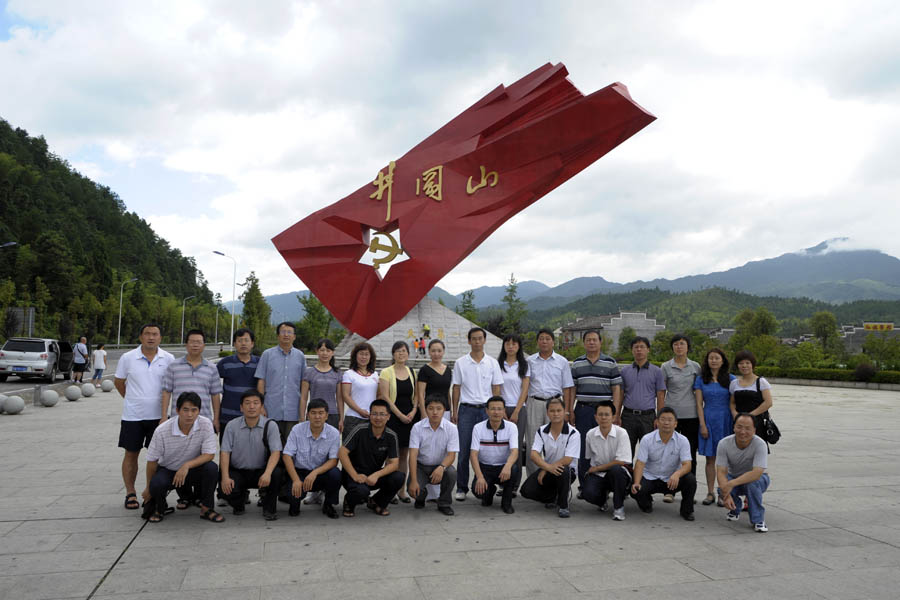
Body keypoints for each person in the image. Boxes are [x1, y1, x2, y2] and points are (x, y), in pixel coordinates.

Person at [114, 323, 175, 511]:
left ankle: (152, 492)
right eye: (147, 334)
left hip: (159, 417)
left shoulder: (168, 358)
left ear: (160, 338)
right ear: (140, 337)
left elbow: (172, 385)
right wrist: (133, 399)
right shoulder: (128, 358)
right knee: (131, 454)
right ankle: (130, 492)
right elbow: (119, 382)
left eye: (155, 334)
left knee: (158, 457)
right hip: (133, 416)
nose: (151, 337)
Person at [141, 392, 222, 523]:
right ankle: (160, 508)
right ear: (177, 410)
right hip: (169, 470)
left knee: (211, 468)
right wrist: (148, 488)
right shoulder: (162, 430)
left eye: (194, 410)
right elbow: (152, 461)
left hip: (192, 469)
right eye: (185, 410)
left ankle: (207, 508)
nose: (189, 414)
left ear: (199, 411)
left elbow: (209, 454)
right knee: (156, 484)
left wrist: (186, 465)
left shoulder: (206, 424)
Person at [451, 327, 503, 501]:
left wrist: (496, 410)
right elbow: (456, 387)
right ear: (469, 341)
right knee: (464, 451)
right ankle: (462, 487)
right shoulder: (461, 362)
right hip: (466, 410)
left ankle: (486, 482)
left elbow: (496, 388)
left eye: (480, 338)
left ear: (484, 340)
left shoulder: (492, 363)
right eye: (474, 338)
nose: (477, 341)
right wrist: (455, 410)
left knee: (488, 449)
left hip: (486, 411)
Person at [570, 329, 622, 493]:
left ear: (600, 342)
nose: (591, 342)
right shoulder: (577, 363)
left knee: (605, 448)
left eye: (594, 340)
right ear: (584, 343)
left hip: (604, 411)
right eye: (588, 340)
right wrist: (570, 410)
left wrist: (616, 413)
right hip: (583, 410)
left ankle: (604, 487)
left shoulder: (610, 362)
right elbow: (572, 389)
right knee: (584, 448)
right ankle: (584, 486)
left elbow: (616, 389)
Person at [220, 389, 283, 520]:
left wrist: (267, 473)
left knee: (276, 474)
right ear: (241, 407)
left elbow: (276, 452)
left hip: (261, 471)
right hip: (238, 471)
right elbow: (225, 452)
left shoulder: (270, 425)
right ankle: (239, 502)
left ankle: (269, 508)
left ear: (261, 406)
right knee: (225, 487)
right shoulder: (231, 426)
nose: (252, 406)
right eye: (247, 403)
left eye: (256, 403)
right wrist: (225, 477)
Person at [339, 399, 404, 517]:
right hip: (353, 475)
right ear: (370, 415)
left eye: (382, 414)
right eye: (374, 414)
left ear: (388, 417)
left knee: (398, 477)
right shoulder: (359, 430)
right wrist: (355, 475)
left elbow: (394, 464)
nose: (378, 418)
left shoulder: (391, 435)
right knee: (362, 491)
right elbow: (342, 452)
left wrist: (377, 475)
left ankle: (377, 502)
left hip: (373, 475)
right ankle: (349, 502)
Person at [631, 407, 697, 521]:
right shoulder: (647, 439)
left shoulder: (682, 440)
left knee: (690, 480)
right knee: (635, 488)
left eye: (670, 420)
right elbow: (640, 463)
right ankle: (647, 503)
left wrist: (677, 474)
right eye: (663, 419)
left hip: (671, 480)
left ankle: (687, 511)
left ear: (675, 424)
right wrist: (636, 483)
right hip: (650, 477)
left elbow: (687, 465)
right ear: (657, 422)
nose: (666, 423)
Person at [520, 397, 580, 518]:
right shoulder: (541, 431)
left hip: (566, 471)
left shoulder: (573, 433)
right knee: (526, 491)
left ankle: (563, 505)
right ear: (547, 413)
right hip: (548, 469)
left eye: (559, 410)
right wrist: (547, 468)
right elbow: (534, 454)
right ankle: (554, 496)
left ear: (564, 412)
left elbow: (568, 459)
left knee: (563, 470)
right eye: (552, 411)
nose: (555, 414)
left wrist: (546, 469)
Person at [282, 399, 342, 519]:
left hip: (320, 473)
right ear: (307, 415)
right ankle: (295, 503)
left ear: (326, 416)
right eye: (313, 413)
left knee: (335, 474)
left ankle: (329, 504)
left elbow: (334, 460)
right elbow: (287, 455)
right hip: (299, 472)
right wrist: (296, 480)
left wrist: (315, 473)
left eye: (321, 413)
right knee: (292, 499)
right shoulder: (297, 429)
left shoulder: (333, 433)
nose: (317, 417)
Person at [526, 329, 574, 475]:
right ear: (537, 342)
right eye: (541, 338)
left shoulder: (562, 361)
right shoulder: (530, 361)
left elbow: (567, 387)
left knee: (555, 441)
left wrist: (567, 411)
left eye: (547, 338)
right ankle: (533, 478)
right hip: (535, 403)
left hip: (555, 404)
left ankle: (553, 475)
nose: (544, 341)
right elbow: (525, 385)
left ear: (553, 342)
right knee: (532, 441)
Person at [694, 348, 736, 506]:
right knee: (710, 459)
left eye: (717, 358)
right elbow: (699, 404)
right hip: (709, 420)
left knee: (725, 460)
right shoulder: (701, 379)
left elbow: (733, 403)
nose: (714, 361)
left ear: (723, 360)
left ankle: (723, 492)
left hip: (726, 421)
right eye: (711, 358)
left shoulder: (731, 379)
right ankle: (710, 492)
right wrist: (702, 425)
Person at [716, 413, 771, 532]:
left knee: (752, 484)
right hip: (734, 477)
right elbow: (721, 472)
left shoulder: (760, 444)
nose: (742, 432)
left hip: (758, 480)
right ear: (733, 427)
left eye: (747, 428)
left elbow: (756, 473)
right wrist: (726, 494)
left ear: (754, 430)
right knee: (721, 487)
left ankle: (758, 519)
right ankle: (735, 509)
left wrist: (731, 484)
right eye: (739, 427)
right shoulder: (724, 443)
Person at [408, 394, 459, 515]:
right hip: (421, 467)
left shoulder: (451, 428)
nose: (435, 412)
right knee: (412, 489)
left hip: (440, 466)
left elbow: (451, 455)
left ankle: (444, 503)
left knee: (451, 473)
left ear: (444, 410)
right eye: (431, 408)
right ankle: (421, 496)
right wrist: (414, 481)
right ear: (426, 409)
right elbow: (413, 455)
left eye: (438, 408)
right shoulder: (417, 427)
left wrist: (441, 467)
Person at [255, 322, 306, 443]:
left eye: (289, 332)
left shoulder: (300, 356)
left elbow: (303, 384)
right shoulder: (267, 354)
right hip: (271, 409)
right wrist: (261, 406)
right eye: (283, 332)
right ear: (278, 335)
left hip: (293, 410)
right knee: (271, 445)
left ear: (294, 336)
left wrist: (302, 412)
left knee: (291, 446)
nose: (286, 335)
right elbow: (261, 381)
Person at [380, 341, 417, 503]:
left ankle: (401, 491)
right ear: (393, 354)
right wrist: (400, 415)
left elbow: (417, 395)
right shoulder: (386, 372)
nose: (401, 354)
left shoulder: (412, 372)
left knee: (404, 455)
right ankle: (389, 491)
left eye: (404, 351)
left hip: (409, 418)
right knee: (390, 456)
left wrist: (413, 411)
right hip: (393, 418)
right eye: (398, 351)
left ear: (408, 354)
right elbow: (385, 397)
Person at [582, 400, 632, 521]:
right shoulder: (590, 434)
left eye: (607, 414)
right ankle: (602, 500)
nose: (603, 417)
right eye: (600, 414)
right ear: (595, 417)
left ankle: (618, 507)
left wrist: (598, 468)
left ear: (613, 417)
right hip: (599, 474)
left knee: (616, 470)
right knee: (587, 494)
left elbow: (621, 461)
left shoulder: (622, 433)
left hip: (618, 473)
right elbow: (588, 457)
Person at [616, 336, 666, 456]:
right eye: (636, 347)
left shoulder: (657, 371)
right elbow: (620, 394)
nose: (639, 350)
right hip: (628, 416)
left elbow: (660, 396)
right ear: (632, 350)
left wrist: (659, 418)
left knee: (649, 452)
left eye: (642, 347)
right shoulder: (625, 371)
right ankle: (627, 469)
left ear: (648, 350)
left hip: (648, 417)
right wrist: (617, 415)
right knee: (626, 452)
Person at [470, 396, 520, 514]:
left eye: (499, 409)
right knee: (478, 492)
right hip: (485, 467)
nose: (496, 412)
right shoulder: (478, 428)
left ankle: (506, 503)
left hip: (503, 468)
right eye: (493, 409)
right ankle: (490, 490)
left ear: (504, 411)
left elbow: (514, 451)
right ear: (487, 411)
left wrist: (507, 466)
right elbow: (473, 454)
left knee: (513, 469)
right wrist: (480, 477)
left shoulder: (511, 427)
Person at [661, 334, 701, 478]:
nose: (679, 347)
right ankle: (669, 485)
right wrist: (660, 413)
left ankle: (690, 484)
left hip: (691, 414)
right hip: (671, 415)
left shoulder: (695, 367)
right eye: (676, 344)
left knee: (690, 451)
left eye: (682, 344)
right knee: (669, 451)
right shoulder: (665, 367)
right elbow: (661, 392)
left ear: (688, 347)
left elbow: (699, 390)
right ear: (672, 347)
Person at [216, 328, 259, 439]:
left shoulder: (260, 363)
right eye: (240, 340)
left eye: (246, 340)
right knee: (226, 447)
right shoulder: (224, 363)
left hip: (251, 417)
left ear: (252, 344)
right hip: (227, 417)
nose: (243, 343)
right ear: (235, 344)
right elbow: (212, 384)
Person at [498, 333, 530, 470]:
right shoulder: (498, 364)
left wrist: (516, 411)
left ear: (519, 346)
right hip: (501, 410)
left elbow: (525, 390)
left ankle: (515, 480)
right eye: (507, 344)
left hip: (519, 409)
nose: (510, 347)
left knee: (516, 444)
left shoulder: (524, 365)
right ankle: (502, 477)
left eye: (514, 344)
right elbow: (496, 388)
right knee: (502, 443)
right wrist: (502, 410)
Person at [729, 350, 774, 444]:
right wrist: (735, 414)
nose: (744, 366)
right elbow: (732, 402)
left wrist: (750, 416)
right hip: (739, 423)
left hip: (756, 423)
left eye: (747, 363)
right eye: (741, 363)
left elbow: (768, 402)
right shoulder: (734, 383)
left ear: (752, 364)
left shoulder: (761, 381)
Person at [301, 338, 342, 430]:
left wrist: (341, 418)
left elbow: (339, 398)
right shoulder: (309, 372)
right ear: (317, 351)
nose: (325, 353)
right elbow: (303, 398)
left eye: (328, 350)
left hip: (332, 415)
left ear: (332, 353)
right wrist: (302, 417)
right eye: (322, 350)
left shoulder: (337, 373)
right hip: (314, 414)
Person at [341, 342, 379, 434]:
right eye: (361, 354)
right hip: (354, 418)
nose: (364, 357)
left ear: (371, 357)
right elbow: (345, 395)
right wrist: (360, 411)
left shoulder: (375, 374)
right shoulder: (349, 374)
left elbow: (378, 395)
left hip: (371, 418)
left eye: (366, 354)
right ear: (355, 356)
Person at [416, 339, 452, 419]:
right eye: (433, 351)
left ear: (443, 352)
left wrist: (451, 411)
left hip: (445, 411)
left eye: (439, 351)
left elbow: (448, 393)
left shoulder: (448, 370)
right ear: (429, 351)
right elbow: (421, 394)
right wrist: (423, 413)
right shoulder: (424, 370)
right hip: (430, 411)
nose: (436, 354)